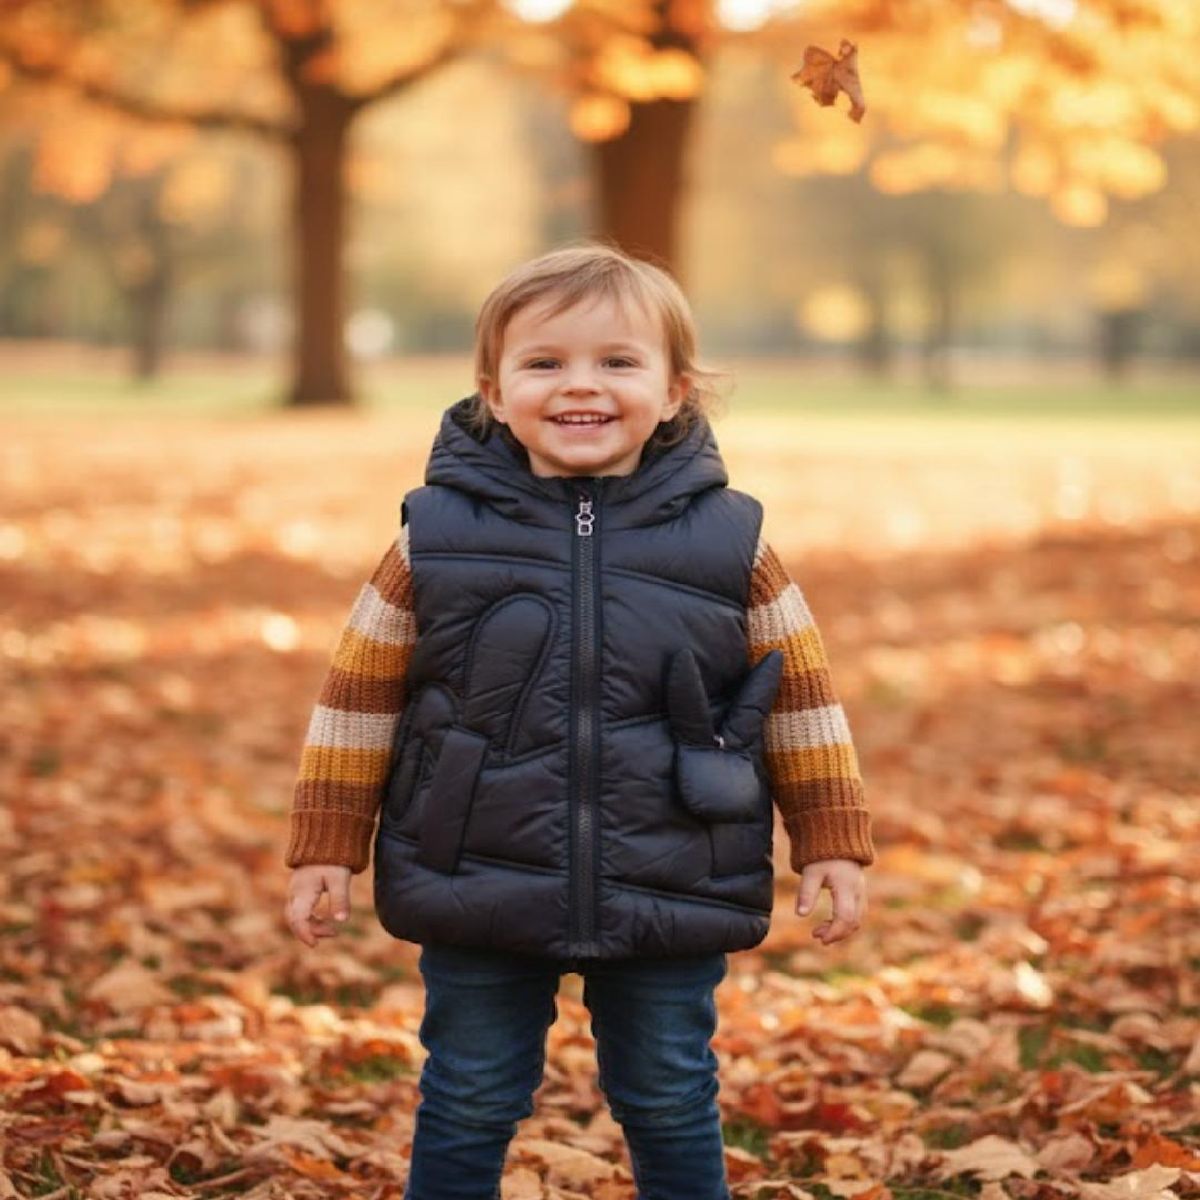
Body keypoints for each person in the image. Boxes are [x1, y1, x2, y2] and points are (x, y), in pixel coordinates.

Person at [283, 242, 876, 1200]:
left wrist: (832, 841)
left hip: (672, 866)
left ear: (676, 390)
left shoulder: (733, 543)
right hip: (473, 863)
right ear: (493, 389)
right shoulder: (434, 536)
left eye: (617, 362)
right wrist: (326, 842)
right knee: (470, 1092)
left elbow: (801, 697)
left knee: (671, 1092)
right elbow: (359, 696)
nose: (580, 387)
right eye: (545, 363)